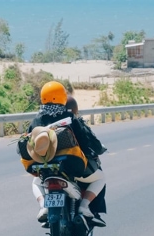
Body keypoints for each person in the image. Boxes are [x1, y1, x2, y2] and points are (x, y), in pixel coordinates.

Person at [18, 81, 107, 228]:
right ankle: (84, 207)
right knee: (100, 178)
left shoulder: (36, 120)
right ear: (62, 97)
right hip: (71, 166)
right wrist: (93, 151)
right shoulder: (70, 118)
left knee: (35, 182)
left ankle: (43, 206)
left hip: (45, 167)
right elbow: (85, 141)